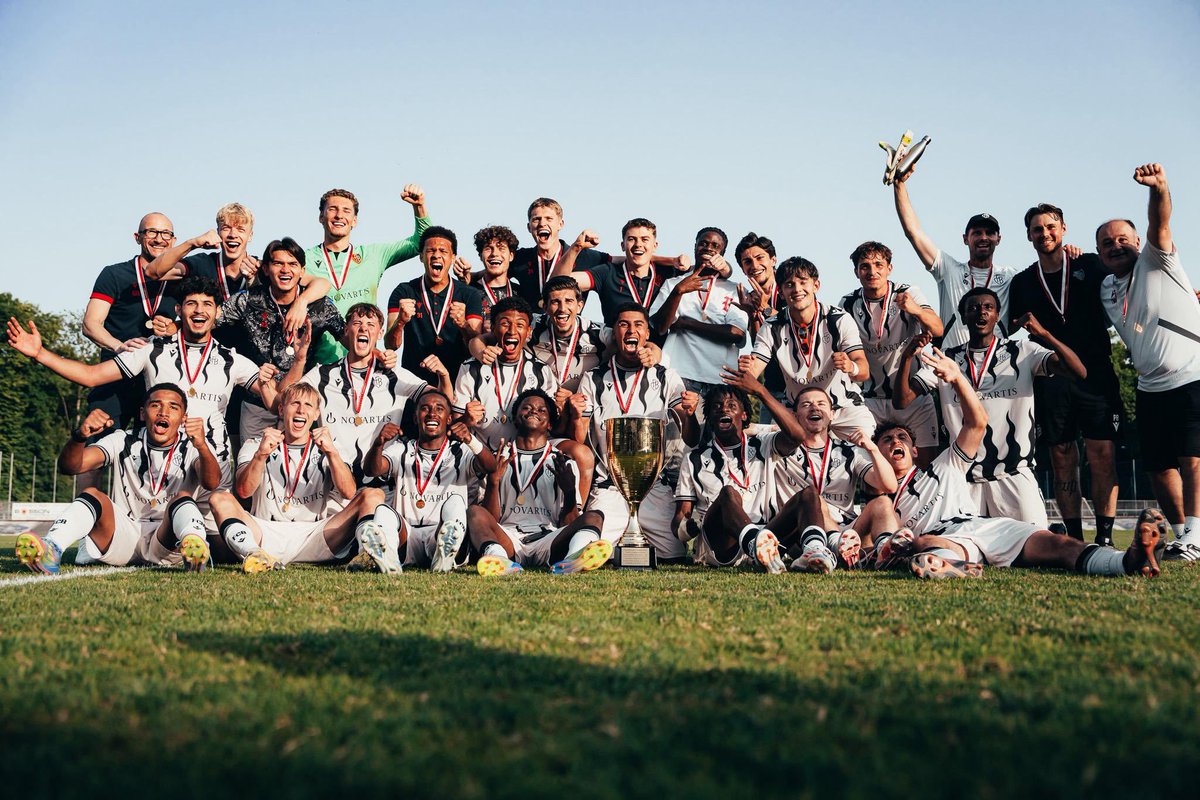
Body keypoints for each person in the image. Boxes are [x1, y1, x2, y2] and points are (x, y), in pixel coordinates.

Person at [874, 348, 1165, 580]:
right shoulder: (881, 504)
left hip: (981, 526)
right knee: (925, 546)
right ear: (878, 453)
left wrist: (957, 379)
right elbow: (872, 546)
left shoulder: (944, 465)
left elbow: (977, 423)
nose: (895, 441)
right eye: (886, 440)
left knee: (1055, 544)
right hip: (941, 538)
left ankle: (1126, 561)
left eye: (901, 436)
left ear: (914, 449)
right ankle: (949, 565)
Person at [9, 276, 264, 488]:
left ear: (217, 311)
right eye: (191, 304)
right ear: (178, 310)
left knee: (221, 540)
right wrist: (41, 354)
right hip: (160, 469)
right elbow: (91, 375)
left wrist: (296, 361)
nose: (199, 310)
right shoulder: (152, 349)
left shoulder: (233, 360)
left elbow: (275, 402)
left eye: (207, 304)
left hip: (212, 468)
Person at [895, 287, 1086, 526]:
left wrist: (1045, 334)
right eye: (973, 308)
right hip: (965, 478)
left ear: (997, 315)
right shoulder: (947, 357)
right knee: (967, 549)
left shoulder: (1022, 351)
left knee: (1037, 545)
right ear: (963, 317)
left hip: (1013, 472)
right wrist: (907, 357)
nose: (981, 313)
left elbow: (1079, 372)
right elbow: (902, 400)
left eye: (988, 307)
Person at [1097, 163, 1200, 561]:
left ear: (1139, 241)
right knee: (1158, 467)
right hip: (1148, 386)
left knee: (1192, 458)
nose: (1115, 245)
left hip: (1190, 375)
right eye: (1106, 242)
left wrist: (1158, 188)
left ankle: (1195, 532)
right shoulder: (1106, 287)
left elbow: (1161, 220)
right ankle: (1181, 536)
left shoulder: (1157, 260)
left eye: (1123, 238)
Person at [1009, 203, 1123, 545]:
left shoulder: (1090, 264)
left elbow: (1126, 280)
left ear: (1063, 229)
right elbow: (1014, 328)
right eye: (1037, 229)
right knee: (1062, 456)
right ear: (1029, 236)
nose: (1044, 234)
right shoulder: (1023, 281)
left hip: (1097, 374)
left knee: (1102, 452)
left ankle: (1103, 537)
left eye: (1050, 227)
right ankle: (1074, 537)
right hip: (1053, 378)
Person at [14, 385, 220, 574]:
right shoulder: (122, 439)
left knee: (182, 498)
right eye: (155, 405)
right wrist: (80, 436)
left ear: (183, 417)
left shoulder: (194, 445)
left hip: (167, 540)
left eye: (173, 407)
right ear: (142, 413)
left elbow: (212, 483)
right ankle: (51, 548)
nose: (163, 412)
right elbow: (70, 467)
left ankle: (194, 550)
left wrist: (202, 446)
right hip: (123, 537)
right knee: (91, 495)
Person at [208, 382, 403, 573]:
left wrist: (332, 453)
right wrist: (260, 455)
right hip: (266, 534)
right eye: (295, 404)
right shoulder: (257, 443)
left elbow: (349, 491)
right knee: (219, 498)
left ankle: (367, 555)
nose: (301, 410)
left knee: (373, 495)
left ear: (316, 414)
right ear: (282, 410)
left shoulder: (329, 445)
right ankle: (253, 553)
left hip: (318, 535)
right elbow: (243, 491)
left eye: (308, 405)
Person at [265, 302, 449, 486]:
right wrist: (299, 360)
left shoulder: (394, 374)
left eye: (371, 325)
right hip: (334, 483)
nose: (363, 329)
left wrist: (444, 376)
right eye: (357, 323)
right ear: (346, 330)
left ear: (379, 332)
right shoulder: (322, 374)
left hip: (382, 485)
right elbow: (279, 405)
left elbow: (444, 403)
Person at [566, 304, 699, 558]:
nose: (631, 329)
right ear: (614, 333)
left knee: (674, 553)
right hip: (609, 486)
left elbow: (691, 437)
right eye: (624, 324)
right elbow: (579, 440)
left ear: (647, 334)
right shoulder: (593, 378)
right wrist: (575, 417)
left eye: (638, 324)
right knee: (589, 549)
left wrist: (691, 415)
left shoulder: (667, 376)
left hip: (653, 486)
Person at [468, 389, 612, 575]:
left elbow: (567, 524)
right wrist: (494, 482)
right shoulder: (499, 458)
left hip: (549, 540)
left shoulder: (563, 462)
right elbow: (490, 519)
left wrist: (569, 492)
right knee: (474, 512)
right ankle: (498, 559)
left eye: (541, 410)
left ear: (550, 424)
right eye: (526, 407)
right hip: (509, 539)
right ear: (515, 417)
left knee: (595, 516)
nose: (533, 411)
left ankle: (572, 560)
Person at [214, 238, 345, 441]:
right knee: (251, 467)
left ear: (302, 272)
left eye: (292, 264)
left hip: (300, 408)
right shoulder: (249, 300)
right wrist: (174, 326)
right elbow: (209, 319)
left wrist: (378, 353)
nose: (286, 270)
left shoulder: (320, 306)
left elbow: (349, 338)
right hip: (256, 404)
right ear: (265, 269)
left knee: (297, 470)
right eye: (278, 263)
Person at [740, 257, 874, 437]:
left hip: (842, 406)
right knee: (777, 455)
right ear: (780, 292)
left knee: (870, 452)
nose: (797, 289)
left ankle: (767, 430)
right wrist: (747, 369)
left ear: (816, 285)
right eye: (789, 284)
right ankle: (769, 432)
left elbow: (864, 370)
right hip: (797, 411)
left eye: (803, 282)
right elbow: (753, 370)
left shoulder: (838, 319)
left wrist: (851, 367)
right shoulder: (771, 327)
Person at [770, 387, 899, 572]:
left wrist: (873, 449)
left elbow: (889, 485)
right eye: (806, 404)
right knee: (814, 498)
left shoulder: (849, 449)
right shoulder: (780, 448)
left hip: (849, 534)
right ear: (795, 415)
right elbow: (747, 429)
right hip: (804, 531)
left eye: (821, 404)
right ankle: (838, 546)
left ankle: (887, 550)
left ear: (832, 414)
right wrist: (772, 426)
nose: (814, 408)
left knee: (883, 502)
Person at [364, 390, 496, 571]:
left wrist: (470, 439)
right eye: (425, 409)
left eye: (439, 409)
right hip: (407, 536)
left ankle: (445, 556)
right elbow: (372, 470)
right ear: (416, 417)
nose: (432, 413)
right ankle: (390, 559)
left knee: (456, 504)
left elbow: (491, 467)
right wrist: (378, 444)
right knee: (383, 511)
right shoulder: (402, 448)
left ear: (449, 419)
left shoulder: (460, 451)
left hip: (440, 533)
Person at [671, 383, 797, 572]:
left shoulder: (764, 445)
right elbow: (679, 519)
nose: (723, 409)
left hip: (767, 534)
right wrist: (689, 526)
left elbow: (797, 436)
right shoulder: (694, 459)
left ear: (744, 414)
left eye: (731, 405)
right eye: (716, 406)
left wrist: (762, 392)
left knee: (809, 495)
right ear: (710, 418)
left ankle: (818, 551)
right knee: (729, 494)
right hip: (721, 544)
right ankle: (755, 545)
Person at [839, 241, 943, 466]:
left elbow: (937, 329)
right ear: (856, 272)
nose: (872, 271)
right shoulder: (848, 303)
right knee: (871, 470)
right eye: (864, 266)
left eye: (878, 264)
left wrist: (914, 309)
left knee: (926, 468)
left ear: (889, 268)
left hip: (913, 395)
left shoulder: (908, 293)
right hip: (871, 401)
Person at [892, 166, 1016, 349]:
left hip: (996, 367)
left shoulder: (1010, 276)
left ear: (998, 239)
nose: (983, 237)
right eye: (977, 233)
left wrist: (1070, 253)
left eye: (990, 233)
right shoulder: (949, 269)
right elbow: (914, 233)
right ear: (966, 239)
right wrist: (899, 185)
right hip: (953, 363)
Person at [304, 185, 431, 363]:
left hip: (365, 362)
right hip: (318, 364)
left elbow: (421, 241)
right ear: (321, 217)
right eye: (332, 209)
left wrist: (419, 208)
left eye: (346, 211)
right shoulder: (303, 260)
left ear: (354, 220)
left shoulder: (373, 256)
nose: (339, 215)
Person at [81, 213, 180, 437]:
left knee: (154, 453)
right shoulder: (114, 274)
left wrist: (175, 326)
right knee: (96, 440)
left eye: (166, 233)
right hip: (115, 374)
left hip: (157, 378)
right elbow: (90, 324)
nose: (159, 239)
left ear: (174, 241)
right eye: (151, 232)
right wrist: (118, 347)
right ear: (137, 237)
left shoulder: (182, 278)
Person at [144, 202, 332, 311]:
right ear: (218, 232)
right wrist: (192, 243)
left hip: (250, 357)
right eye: (226, 228)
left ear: (250, 236)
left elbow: (322, 283)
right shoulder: (202, 263)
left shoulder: (262, 267)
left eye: (241, 229)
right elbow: (153, 272)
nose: (233, 235)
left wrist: (301, 302)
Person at [650, 227, 749, 397]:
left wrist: (687, 324)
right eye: (703, 243)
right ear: (695, 246)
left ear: (722, 254)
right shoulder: (674, 284)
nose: (708, 248)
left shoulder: (734, 290)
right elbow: (659, 327)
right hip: (679, 374)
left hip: (721, 378)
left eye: (715, 246)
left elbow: (737, 334)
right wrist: (678, 292)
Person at [550, 219, 702, 329]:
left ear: (655, 246)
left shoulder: (669, 271)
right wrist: (576, 248)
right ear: (623, 246)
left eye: (645, 239)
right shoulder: (607, 272)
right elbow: (557, 285)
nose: (638, 244)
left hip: (659, 354)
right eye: (631, 239)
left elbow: (708, 273)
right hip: (617, 353)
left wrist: (726, 268)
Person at [454, 296, 559, 449]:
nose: (512, 331)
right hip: (479, 458)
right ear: (493, 328)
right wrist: (466, 419)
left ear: (529, 331)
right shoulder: (470, 368)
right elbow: (455, 427)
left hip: (523, 459)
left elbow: (550, 426)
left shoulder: (542, 371)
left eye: (520, 325)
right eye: (505, 324)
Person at [386, 226, 483, 386]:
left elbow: (474, 346)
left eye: (443, 251)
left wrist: (463, 325)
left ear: (453, 257)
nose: (436, 255)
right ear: (421, 256)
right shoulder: (404, 291)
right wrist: (401, 322)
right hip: (414, 384)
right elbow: (391, 345)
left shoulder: (469, 294)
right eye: (431, 251)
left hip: (459, 382)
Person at [504, 198, 617, 308]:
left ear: (560, 224)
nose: (542, 223)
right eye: (536, 219)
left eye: (549, 218)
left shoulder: (584, 255)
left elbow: (626, 262)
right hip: (532, 326)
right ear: (529, 227)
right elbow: (491, 275)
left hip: (568, 324)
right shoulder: (520, 258)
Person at [527, 276, 610, 394]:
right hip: (542, 406)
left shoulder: (600, 335)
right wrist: (490, 344)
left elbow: (633, 342)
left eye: (568, 301)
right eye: (555, 302)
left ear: (580, 306)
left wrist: (646, 349)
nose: (562, 308)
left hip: (583, 406)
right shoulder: (531, 327)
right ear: (545, 307)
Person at [466, 225, 523, 332]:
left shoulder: (522, 293)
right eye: (488, 248)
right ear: (480, 255)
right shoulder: (469, 292)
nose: (495, 254)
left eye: (501, 248)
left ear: (511, 256)